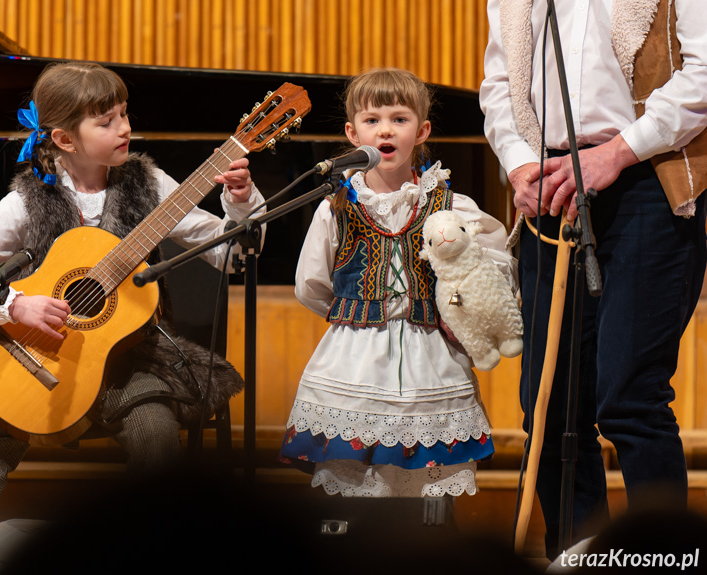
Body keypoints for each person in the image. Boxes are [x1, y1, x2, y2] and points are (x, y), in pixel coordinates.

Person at [0, 61, 264, 540]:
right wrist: (16, 306)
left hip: (132, 361)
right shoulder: (28, 198)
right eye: (106, 122)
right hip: (39, 357)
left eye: (125, 114)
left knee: (155, 433)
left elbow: (232, 254)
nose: (124, 128)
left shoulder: (150, 184)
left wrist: (242, 203)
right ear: (64, 139)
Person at [480, 0, 707, 559]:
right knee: (549, 406)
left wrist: (615, 153)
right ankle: (575, 556)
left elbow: (703, 74)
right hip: (548, 181)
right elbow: (499, 84)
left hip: (645, 179)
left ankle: (662, 558)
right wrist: (517, 163)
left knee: (629, 397)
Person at [279, 68, 516, 508]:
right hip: (355, 359)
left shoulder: (450, 205)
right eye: (372, 120)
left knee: (427, 491)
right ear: (352, 133)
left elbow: (492, 267)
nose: (385, 129)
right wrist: (359, 313)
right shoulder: (337, 206)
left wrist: (458, 312)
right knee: (356, 486)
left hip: (431, 355)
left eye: (399, 119)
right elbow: (311, 284)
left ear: (421, 130)